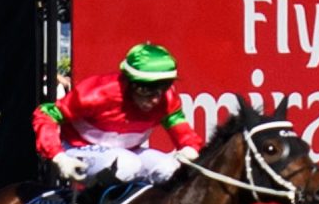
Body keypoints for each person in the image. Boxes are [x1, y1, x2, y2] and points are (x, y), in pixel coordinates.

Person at [33, 42, 207, 189]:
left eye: (162, 88)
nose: (154, 99)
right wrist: (59, 157)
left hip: (128, 151)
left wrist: (190, 149)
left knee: (169, 169)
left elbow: (185, 135)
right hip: (78, 148)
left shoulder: (166, 99)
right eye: (145, 89)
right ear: (129, 82)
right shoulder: (97, 93)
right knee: (126, 165)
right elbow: (46, 114)